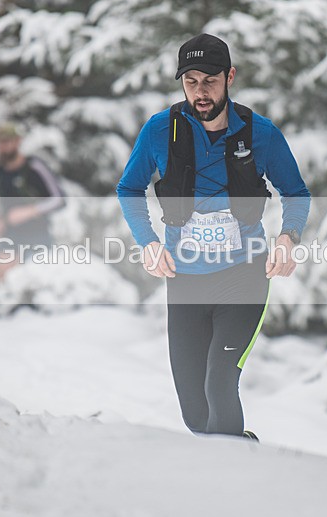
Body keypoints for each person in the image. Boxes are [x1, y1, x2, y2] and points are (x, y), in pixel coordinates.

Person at [116, 33, 310, 440]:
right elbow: (128, 188)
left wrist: (288, 238)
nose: (200, 92)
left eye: (210, 81)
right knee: (196, 416)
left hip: (244, 275)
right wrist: (148, 242)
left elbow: (296, 193)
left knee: (219, 383)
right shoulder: (160, 131)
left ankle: (235, 472)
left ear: (229, 77)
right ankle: (239, 453)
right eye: (191, 82)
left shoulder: (260, 133)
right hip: (185, 279)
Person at [0, 122, 65, 279]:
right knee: (4, 277)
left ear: (18, 141)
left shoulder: (34, 167)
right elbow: (1, 204)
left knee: (36, 278)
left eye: (7, 141)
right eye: (0, 142)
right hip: (10, 235)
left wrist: (30, 211)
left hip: (37, 235)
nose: (4, 146)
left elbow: (59, 199)